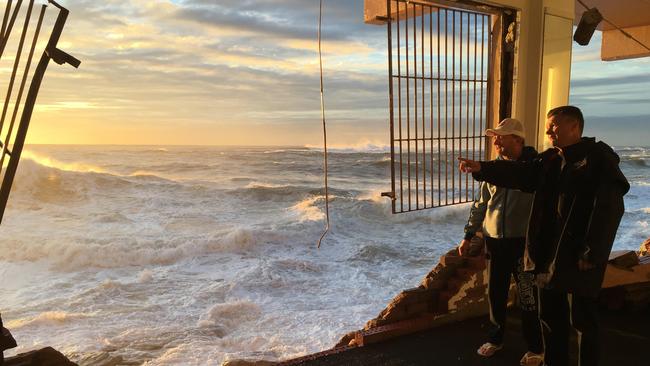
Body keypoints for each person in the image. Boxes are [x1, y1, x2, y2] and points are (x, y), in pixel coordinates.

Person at [458, 106, 630, 366]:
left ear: (575, 127)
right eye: (548, 126)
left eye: (554, 126)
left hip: (580, 255)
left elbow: (610, 210)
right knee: (550, 318)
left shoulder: (599, 160)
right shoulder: (550, 159)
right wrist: (482, 168)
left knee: (582, 321)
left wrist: (592, 252)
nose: (548, 131)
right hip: (547, 253)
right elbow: (521, 174)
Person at [458, 118, 543, 366]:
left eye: (501, 136)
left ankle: (536, 347)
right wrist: (468, 234)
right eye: (494, 136)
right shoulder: (492, 170)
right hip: (495, 242)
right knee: (495, 293)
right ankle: (496, 339)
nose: (495, 141)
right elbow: (481, 204)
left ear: (518, 139)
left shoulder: (533, 169)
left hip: (523, 243)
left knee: (528, 297)